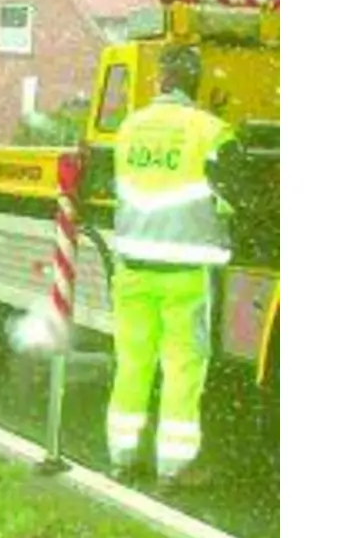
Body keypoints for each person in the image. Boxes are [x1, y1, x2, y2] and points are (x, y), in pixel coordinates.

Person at [106, 44, 247, 493]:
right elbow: (236, 196)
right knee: (182, 366)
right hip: (186, 269)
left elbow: (123, 185)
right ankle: (173, 467)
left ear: (160, 81)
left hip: (132, 266)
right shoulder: (211, 131)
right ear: (197, 83)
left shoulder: (130, 128)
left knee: (132, 361)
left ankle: (122, 458)